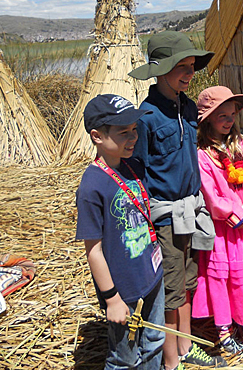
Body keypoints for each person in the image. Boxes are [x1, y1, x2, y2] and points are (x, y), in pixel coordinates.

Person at [129, 32, 224, 370]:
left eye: (192, 67)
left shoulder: (186, 106)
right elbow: (137, 172)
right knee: (170, 292)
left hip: (191, 210)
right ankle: (171, 361)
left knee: (187, 283)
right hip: (166, 216)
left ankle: (185, 347)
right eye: (180, 67)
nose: (189, 73)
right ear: (160, 70)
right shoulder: (147, 116)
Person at [75, 94, 164, 369]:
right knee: (124, 357)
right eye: (123, 132)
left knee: (155, 341)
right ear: (97, 136)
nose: (132, 137)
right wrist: (112, 299)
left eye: (134, 130)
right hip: (123, 290)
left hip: (152, 276)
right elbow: (94, 252)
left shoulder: (133, 166)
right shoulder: (92, 187)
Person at [193, 86, 243, 353]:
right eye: (222, 116)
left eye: (231, 115)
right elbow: (211, 194)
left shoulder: (239, 145)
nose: (229, 121)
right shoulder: (203, 155)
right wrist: (239, 215)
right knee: (224, 279)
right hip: (225, 232)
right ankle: (224, 329)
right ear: (207, 120)